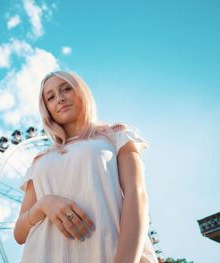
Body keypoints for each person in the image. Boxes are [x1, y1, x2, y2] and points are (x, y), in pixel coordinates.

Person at [13, 70, 158, 263]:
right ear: (46, 108)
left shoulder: (115, 134)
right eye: (51, 97)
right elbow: (19, 234)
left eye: (66, 89)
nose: (60, 99)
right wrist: (44, 204)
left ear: (81, 92)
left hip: (108, 253)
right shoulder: (40, 159)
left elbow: (136, 195)